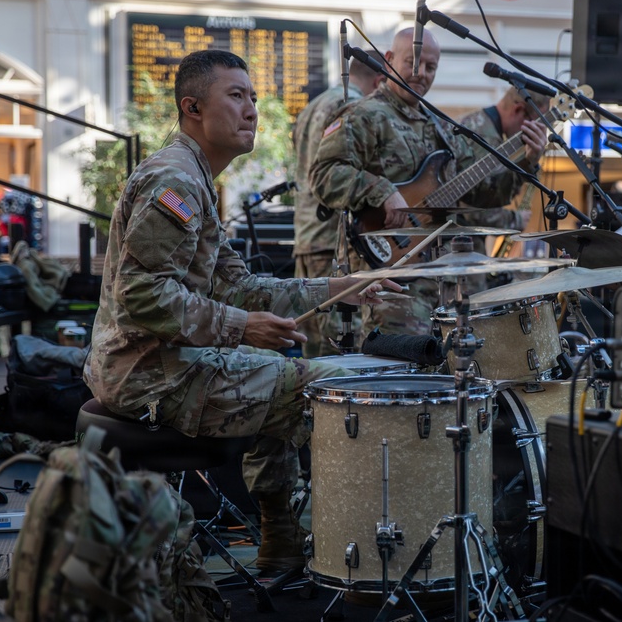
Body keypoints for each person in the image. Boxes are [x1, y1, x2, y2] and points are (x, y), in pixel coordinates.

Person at [83, 49, 399, 576]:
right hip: (147, 377)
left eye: (253, 96)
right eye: (236, 96)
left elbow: (241, 286)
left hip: (162, 366)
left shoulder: (195, 176)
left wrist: (339, 286)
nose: (252, 109)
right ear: (193, 108)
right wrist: (241, 327)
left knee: (288, 377)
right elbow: (143, 295)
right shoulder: (176, 181)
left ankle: (280, 540)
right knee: (316, 387)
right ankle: (295, 536)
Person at [309, 27, 547, 336]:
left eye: (431, 67)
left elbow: (484, 195)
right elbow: (323, 175)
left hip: (442, 280)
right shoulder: (365, 114)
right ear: (390, 59)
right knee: (399, 370)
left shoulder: (440, 126)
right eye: (413, 62)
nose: (421, 73)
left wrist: (528, 160)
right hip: (390, 276)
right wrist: (383, 191)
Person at [293, 51, 386, 358]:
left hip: (306, 235)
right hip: (333, 243)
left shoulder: (314, 105)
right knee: (335, 350)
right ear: (379, 81)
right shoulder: (351, 105)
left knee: (311, 344)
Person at [457, 87, 552, 289]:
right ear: (518, 111)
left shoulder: (480, 125)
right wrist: (515, 219)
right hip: (461, 262)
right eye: (536, 125)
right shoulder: (486, 139)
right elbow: (475, 209)